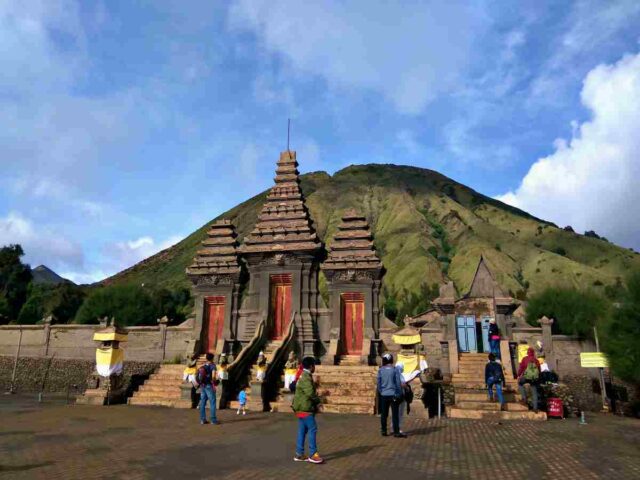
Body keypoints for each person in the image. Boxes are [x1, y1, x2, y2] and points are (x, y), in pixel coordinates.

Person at [292, 356, 323, 464]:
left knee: (302, 430)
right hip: (305, 408)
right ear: (311, 366)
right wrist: (318, 401)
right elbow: (310, 393)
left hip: (300, 408)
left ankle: (299, 453)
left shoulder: (303, 375)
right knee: (312, 429)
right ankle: (313, 454)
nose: (315, 367)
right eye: (314, 365)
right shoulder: (305, 377)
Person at [377, 353, 406, 438]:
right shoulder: (394, 370)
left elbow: (379, 383)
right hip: (393, 394)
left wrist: (381, 391)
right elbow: (397, 383)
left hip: (384, 395)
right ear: (391, 360)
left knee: (384, 414)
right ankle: (396, 432)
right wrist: (399, 393)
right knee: (395, 414)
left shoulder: (381, 370)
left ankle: (384, 430)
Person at [197, 353, 219, 425]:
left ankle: (202, 419)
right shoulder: (213, 366)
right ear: (212, 358)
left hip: (202, 385)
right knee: (212, 402)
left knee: (203, 402)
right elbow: (213, 377)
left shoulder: (203, 366)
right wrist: (216, 381)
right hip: (209, 385)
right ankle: (213, 419)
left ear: (206, 358)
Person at [517, 347, 540, 413]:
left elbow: (521, 368)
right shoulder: (536, 360)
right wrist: (538, 378)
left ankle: (524, 398)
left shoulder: (525, 359)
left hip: (526, 377)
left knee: (520, 383)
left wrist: (518, 375)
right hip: (534, 378)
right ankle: (535, 408)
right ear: (533, 353)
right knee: (534, 392)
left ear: (527, 352)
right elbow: (539, 370)